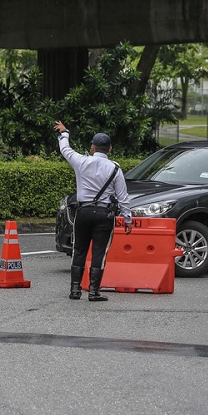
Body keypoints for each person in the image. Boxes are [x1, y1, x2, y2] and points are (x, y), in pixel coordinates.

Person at [54, 121, 132, 302]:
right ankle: (94, 291)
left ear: (92, 147)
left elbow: (65, 149)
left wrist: (64, 133)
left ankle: (75, 290)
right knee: (99, 252)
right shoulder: (115, 168)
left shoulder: (81, 161)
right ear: (110, 149)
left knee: (79, 250)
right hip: (105, 215)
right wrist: (127, 218)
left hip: (83, 212)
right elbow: (123, 196)